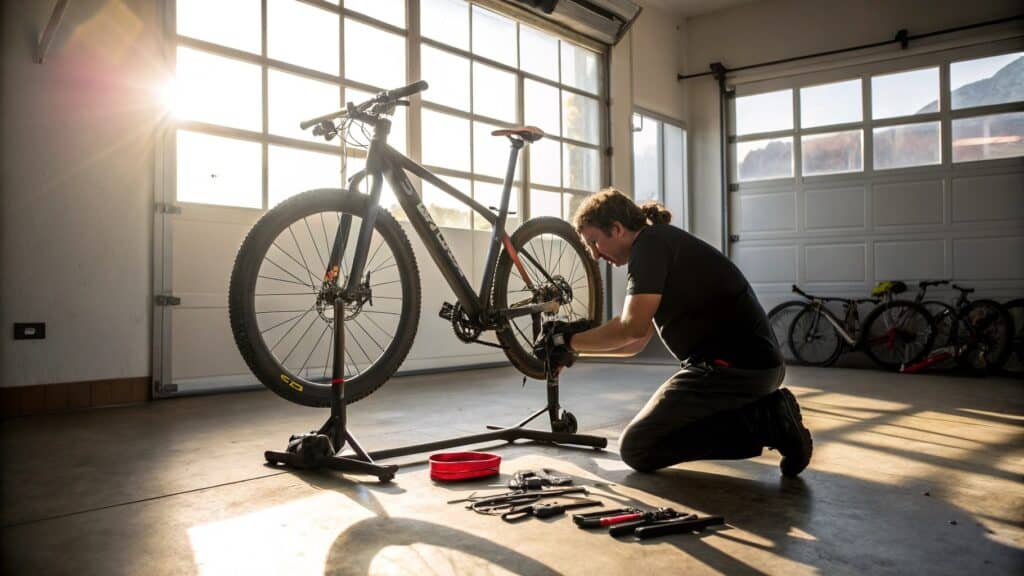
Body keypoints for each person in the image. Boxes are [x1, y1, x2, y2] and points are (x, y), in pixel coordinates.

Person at [538, 188, 812, 477]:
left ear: (616, 229)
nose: (594, 254)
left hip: (732, 371)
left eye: (594, 242)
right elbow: (634, 343)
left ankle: (770, 421)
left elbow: (631, 328)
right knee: (648, 440)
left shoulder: (649, 247)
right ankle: (769, 415)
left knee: (639, 448)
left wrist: (565, 340)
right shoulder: (658, 242)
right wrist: (575, 348)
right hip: (755, 369)